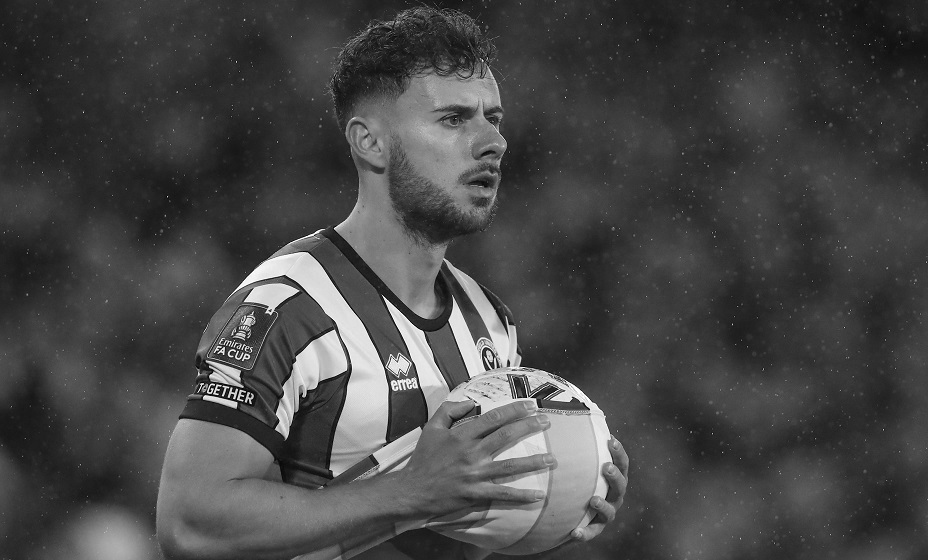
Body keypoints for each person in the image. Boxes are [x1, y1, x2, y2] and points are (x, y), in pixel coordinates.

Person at [156, 7, 629, 560]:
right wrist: (408, 493)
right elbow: (189, 525)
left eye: (493, 118)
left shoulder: (489, 322)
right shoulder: (288, 308)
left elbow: (451, 532)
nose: (493, 142)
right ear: (370, 143)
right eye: (453, 119)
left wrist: (553, 503)